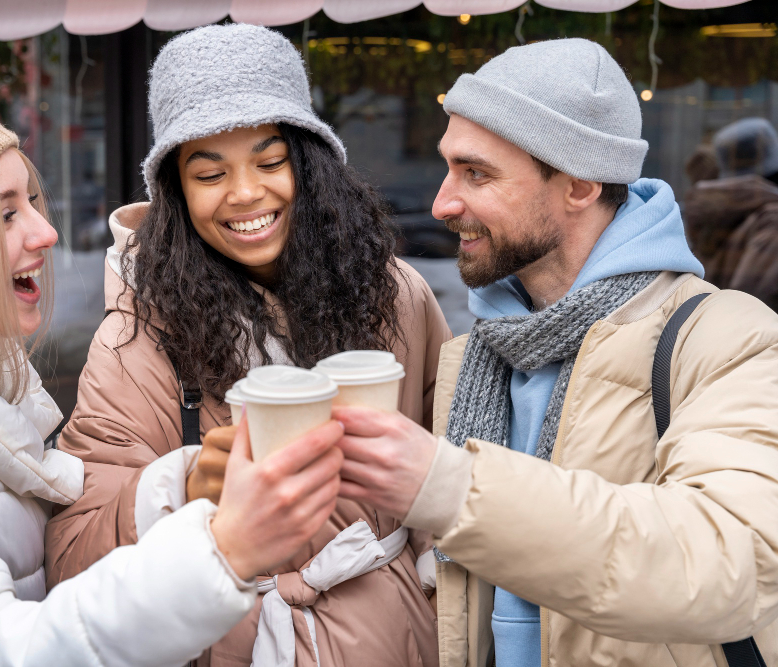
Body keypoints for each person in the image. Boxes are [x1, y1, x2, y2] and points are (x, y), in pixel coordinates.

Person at [0, 81, 345, 667]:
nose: (45, 232)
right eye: (4, 214)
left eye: (31, 202)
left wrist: (185, 486)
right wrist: (218, 554)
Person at [331, 39, 778, 666]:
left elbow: (731, 563)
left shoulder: (729, 337)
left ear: (578, 184)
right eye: (448, 166)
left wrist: (454, 489)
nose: (441, 204)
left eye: (476, 173)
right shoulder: (474, 354)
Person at [44, 24, 450, 667]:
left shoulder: (393, 293)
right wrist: (179, 490)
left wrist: (431, 589)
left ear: (311, 164)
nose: (245, 194)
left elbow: (446, 470)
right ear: (175, 192)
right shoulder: (137, 337)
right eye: (210, 174)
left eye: (269, 161)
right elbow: (70, 555)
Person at [684, 117, 778, 310]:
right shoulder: (772, 217)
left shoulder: (699, 214)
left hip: (703, 331)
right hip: (753, 336)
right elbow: (756, 303)